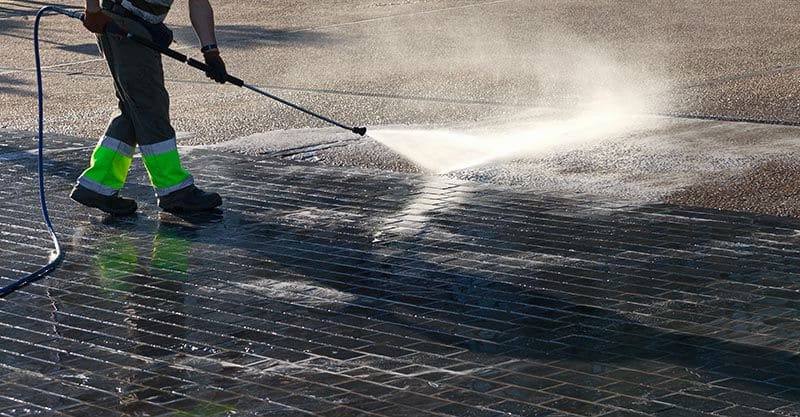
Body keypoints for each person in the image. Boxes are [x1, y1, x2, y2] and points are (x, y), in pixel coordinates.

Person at [70, 0, 227, 215]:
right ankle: (174, 190)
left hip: (135, 25)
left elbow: (198, 2)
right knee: (151, 108)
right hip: (122, 24)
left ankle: (98, 184)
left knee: (133, 108)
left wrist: (211, 52)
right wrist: (93, 10)